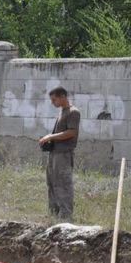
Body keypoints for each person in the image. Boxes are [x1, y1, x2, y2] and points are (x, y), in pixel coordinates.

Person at [39, 86, 80, 221]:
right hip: (54, 154)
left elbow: (71, 132)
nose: (52, 103)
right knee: (51, 182)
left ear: (62, 96)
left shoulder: (73, 112)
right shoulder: (62, 112)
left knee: (63, 183)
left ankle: (65, 215)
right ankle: (54, 213)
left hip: (63, 155)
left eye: (54, 99)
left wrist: (50, 137)